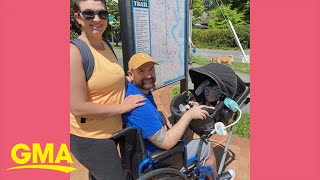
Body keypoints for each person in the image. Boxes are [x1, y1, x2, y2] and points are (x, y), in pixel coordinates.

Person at [123, 53, 235, 180]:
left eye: (151, 69)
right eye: (141, 71)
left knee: (183, 131)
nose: (148, 75)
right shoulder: (140, 105)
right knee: (206, 146)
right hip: (157, 160)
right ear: (131, 75)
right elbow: (166, 143)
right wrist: (189, 115)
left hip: (143, 152)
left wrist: (159, 114)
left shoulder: (135, 91)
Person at [70, 0, 146, 179]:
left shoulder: (105, 45)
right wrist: (122, 107)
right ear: (78, 17)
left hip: (112, 130)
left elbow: (111, 78)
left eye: (102, 13)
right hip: (90, 137)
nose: (97, 19)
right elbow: (78, 107)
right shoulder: (74, 53)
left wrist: (138, 82)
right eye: (89, 13)